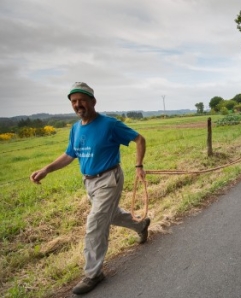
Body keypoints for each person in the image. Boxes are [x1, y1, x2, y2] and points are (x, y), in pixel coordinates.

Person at [29, 82, 150, 295]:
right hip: (89, 181)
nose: (78, 104)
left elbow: (139, 139)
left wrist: (139, 166)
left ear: (93, 101)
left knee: (95, 223)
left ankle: (93, 273)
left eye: (82, 100)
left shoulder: (109, 124)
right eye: (74, 101)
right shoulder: (76, 128)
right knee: (109, 215)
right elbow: (70, 154)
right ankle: (140, 225)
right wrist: (46, 169)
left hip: (108, 179)